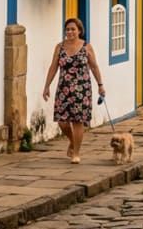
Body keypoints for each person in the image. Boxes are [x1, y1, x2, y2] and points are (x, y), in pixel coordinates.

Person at [41, 17, 105, 164]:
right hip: (64, 88)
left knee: (77, 121)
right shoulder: (59, 47)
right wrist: (47, 86)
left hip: (82, 89)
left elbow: (94, 67)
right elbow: (53, 67)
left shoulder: (87, 47)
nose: (70, 32)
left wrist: (100, 85)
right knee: (62, 122)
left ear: (79, 31)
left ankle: (76, 153)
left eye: (73, 29)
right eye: (68, 29)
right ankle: (72, 141)